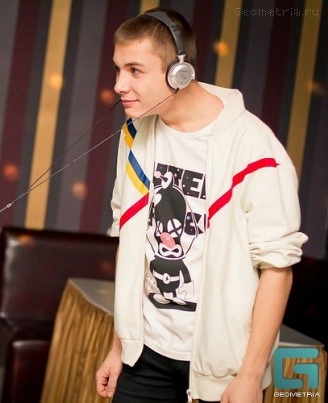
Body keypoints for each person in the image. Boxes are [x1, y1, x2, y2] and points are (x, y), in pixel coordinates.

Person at [95, 7, 307, 403]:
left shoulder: (255, 149)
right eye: (118, 69)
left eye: (135, 70)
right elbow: (133, 244)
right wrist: (119, 347)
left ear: (180, 73)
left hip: (223, 369)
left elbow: (277, 270)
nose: (120, 85)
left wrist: (251, 375)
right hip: (145, 358)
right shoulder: (136, 133)